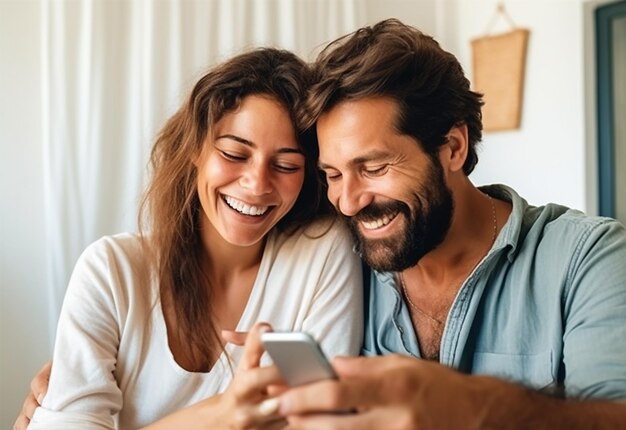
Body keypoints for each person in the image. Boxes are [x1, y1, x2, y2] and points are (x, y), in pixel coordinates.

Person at [272, 19, 626, 428]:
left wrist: (475, 408)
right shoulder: (342, 271)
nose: (349, 202)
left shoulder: (589, 258)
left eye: (374, 167)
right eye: (332, 175)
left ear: (453, 147)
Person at [17, 48, 363, 430]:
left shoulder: (322, 253)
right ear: (196, 148)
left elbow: (327, 422)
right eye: (234, 153)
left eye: (285, 165)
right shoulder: (110, 272)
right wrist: (218, 417)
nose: (257, 185)